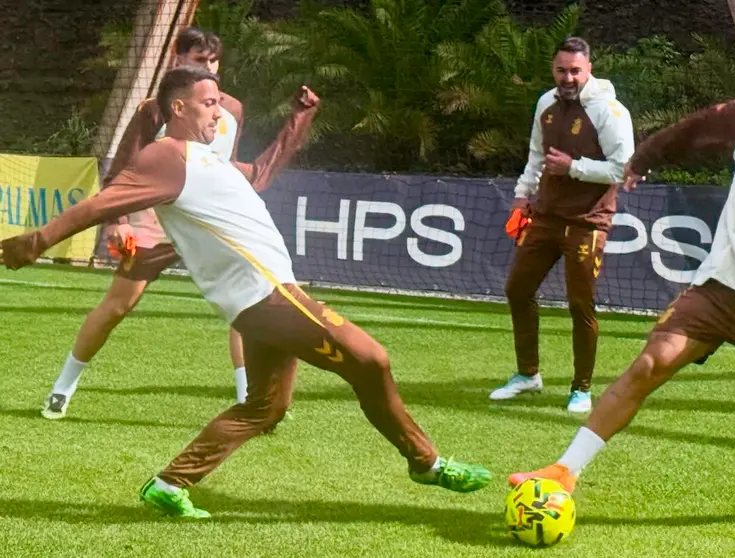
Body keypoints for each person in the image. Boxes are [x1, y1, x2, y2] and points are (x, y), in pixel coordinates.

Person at [1, 66, 491, 518]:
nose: (220, 110)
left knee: (265, 407)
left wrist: (298, 123)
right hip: (268, 296)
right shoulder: (165, 157)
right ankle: (425, 463)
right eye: (210, 103)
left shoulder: (206, 160)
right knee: (372, 359)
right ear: (178, 109)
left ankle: (171, 483)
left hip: (261, 302)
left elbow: (258, 174)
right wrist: (38, 240)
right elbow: (102, 203)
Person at [507, 35, 735, 518]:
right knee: (647, 366)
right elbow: (697, 129)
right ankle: (563, 471)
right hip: (720, 290)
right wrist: (643, 158)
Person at [41, 27, 258, 420]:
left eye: (212, 60)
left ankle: (249, 399)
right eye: (198, 59)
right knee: (118, 306)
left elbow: (226, 167)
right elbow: (121, 171)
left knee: (246, 304)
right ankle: (62, 388)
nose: (208, 67)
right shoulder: (153, 110)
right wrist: (118, 222)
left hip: (209, 225)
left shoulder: (233, 110)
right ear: (178, 61)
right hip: (155, 224)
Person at [492, 37, 635, 413]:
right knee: (517, 289)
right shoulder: (546, 104)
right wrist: (523, 197)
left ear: (589, 69)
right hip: (546, 216)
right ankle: (528, 375)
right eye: (561, 70)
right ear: (553, 69)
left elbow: (624, 168)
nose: (568, 77)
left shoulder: (609, 111)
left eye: (575, 70)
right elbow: (536, 157)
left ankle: (581, 388)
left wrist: (574, 167)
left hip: (588, 223)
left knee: (579, 304)